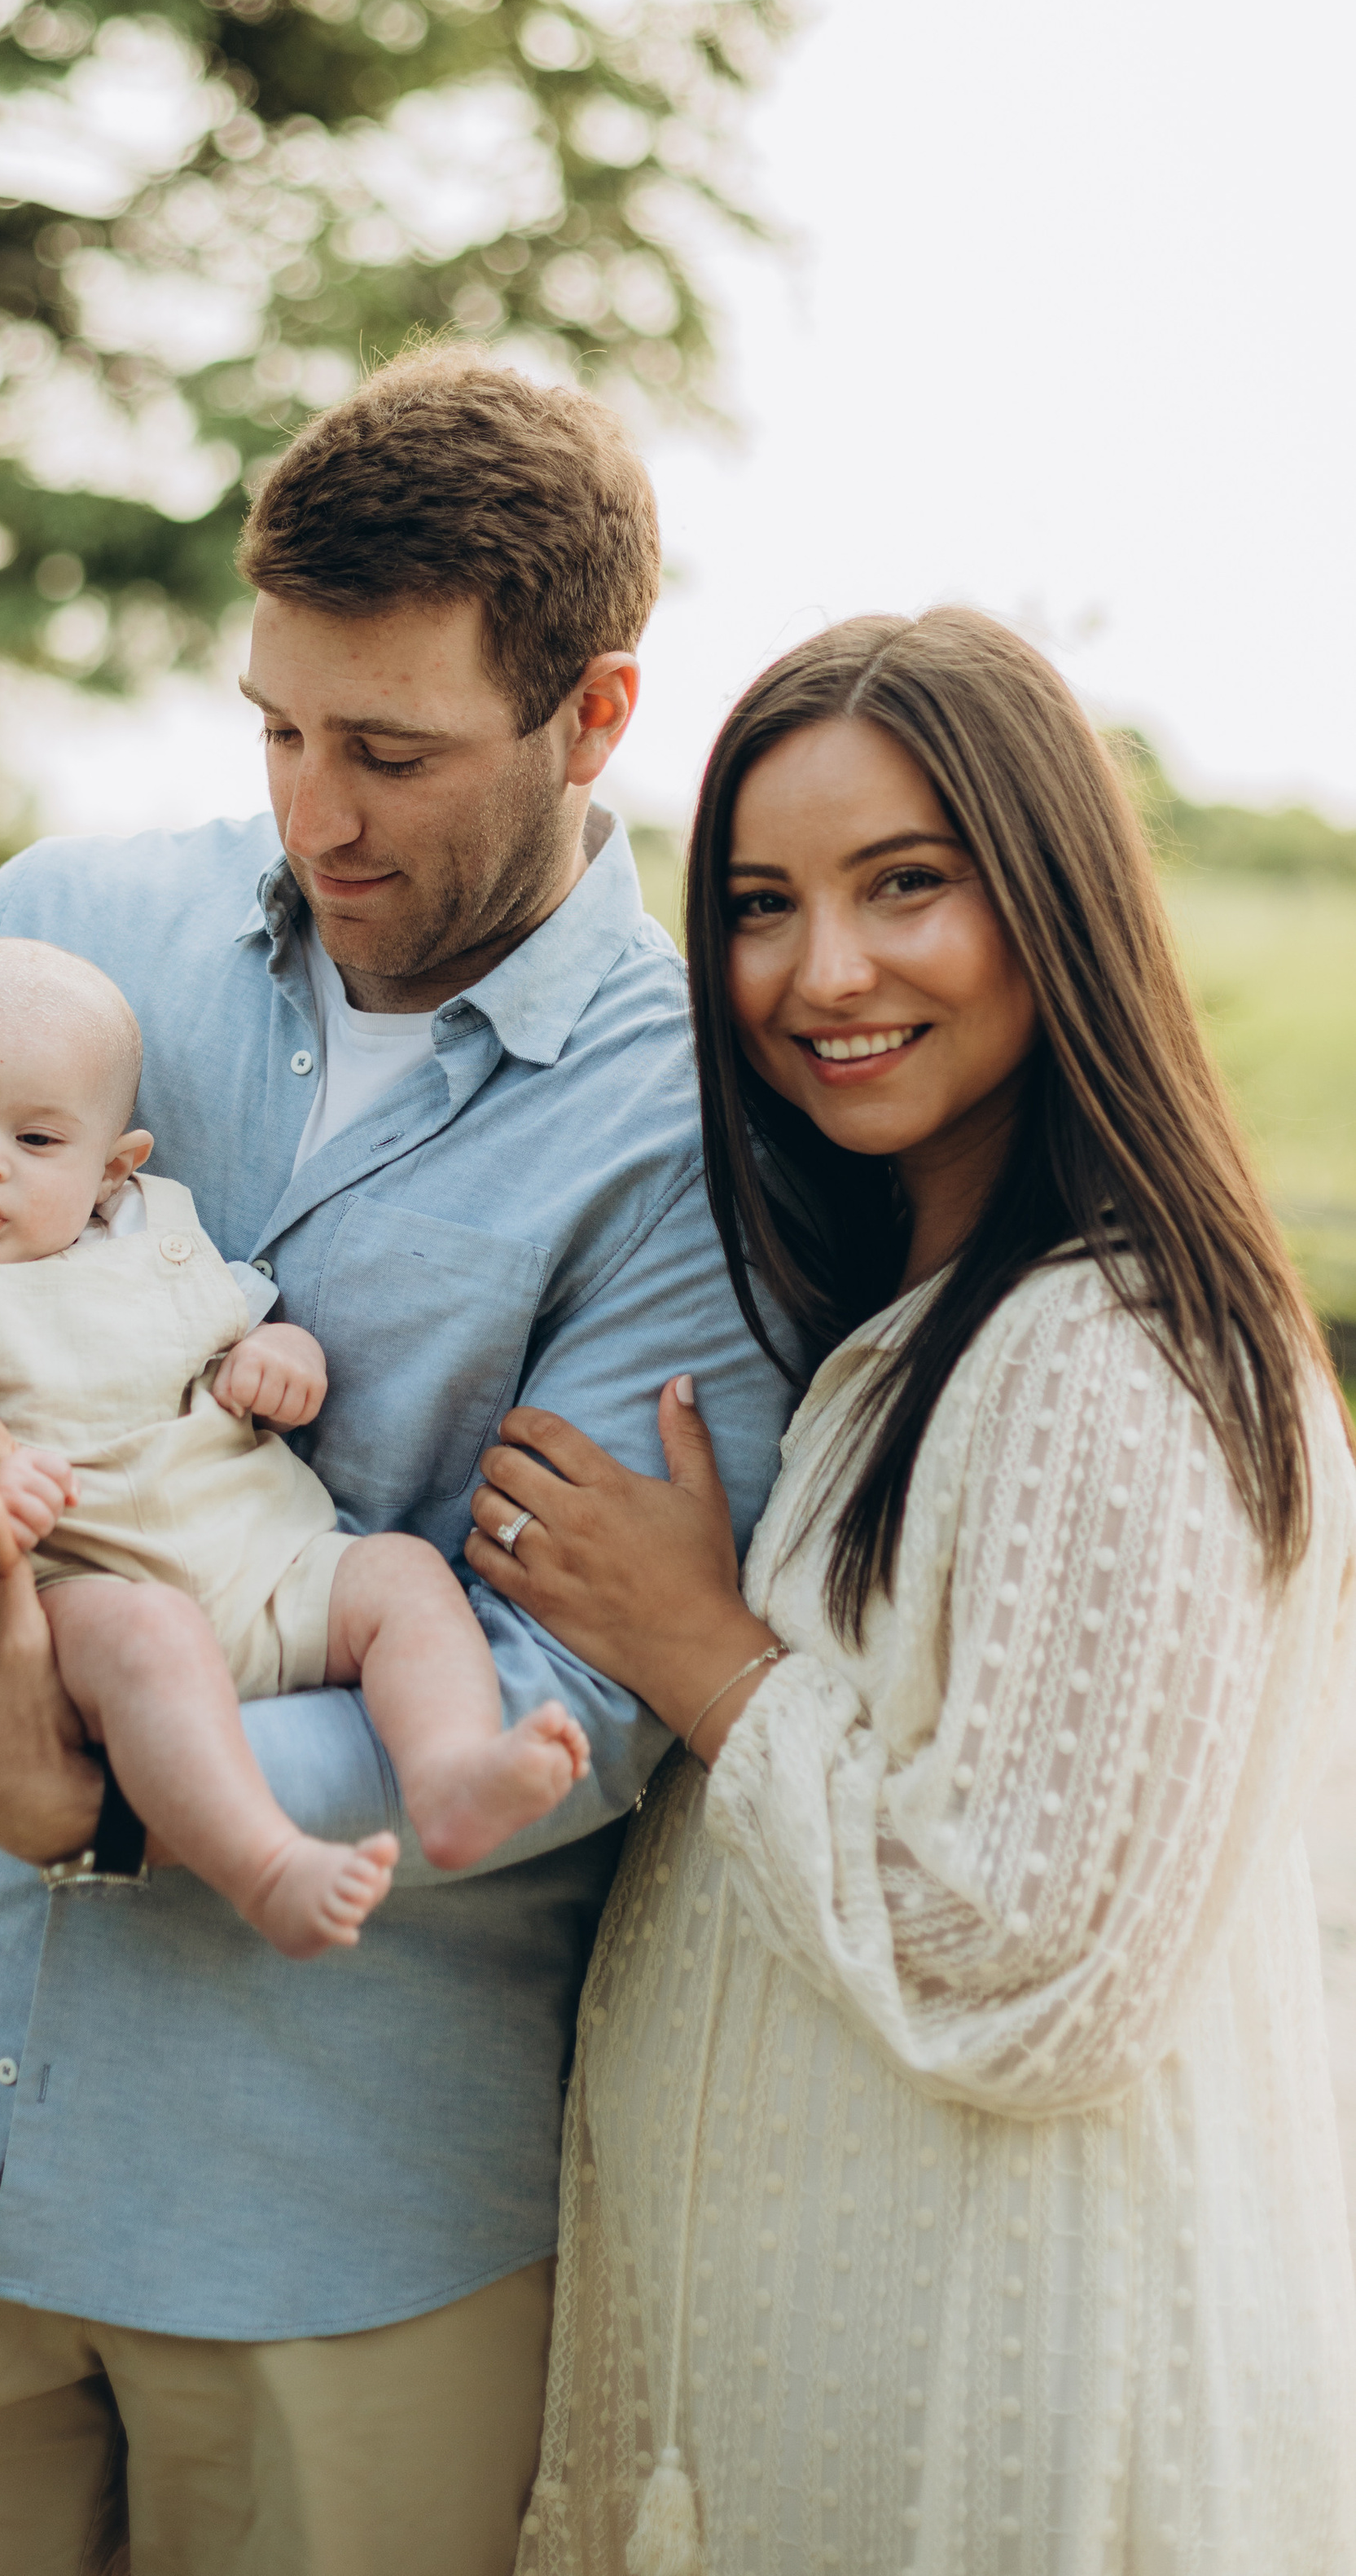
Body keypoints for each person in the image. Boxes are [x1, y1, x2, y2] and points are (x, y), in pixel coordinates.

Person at [0, 348, 794, 2576]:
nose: (319, 810)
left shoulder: (706, 1141)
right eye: (278, 729)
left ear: (594, 718)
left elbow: (571, 1692)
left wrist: (102, 1803)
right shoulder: (71, 922)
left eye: (391, 751)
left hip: (339, 2229)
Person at [462, 608, 1356, 2576]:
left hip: (1011, 2440)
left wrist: (702, 1654)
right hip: (836, 2423)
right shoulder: (919, 1320)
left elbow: (1026, 1976)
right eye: (760, 903)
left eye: (903, 884)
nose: (818, 970)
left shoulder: (1113, 1356)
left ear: (1048, 901)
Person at [0, 934, 591, 1958]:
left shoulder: (155, 1233)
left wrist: (278, 1352)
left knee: (403, 1575)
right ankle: (267, 1864)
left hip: (274, 1567)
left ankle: (450, 1769)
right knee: (154, 1641)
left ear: (114, 1168)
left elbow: (231, 1329)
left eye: (38, 1143)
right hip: (81, 1595)